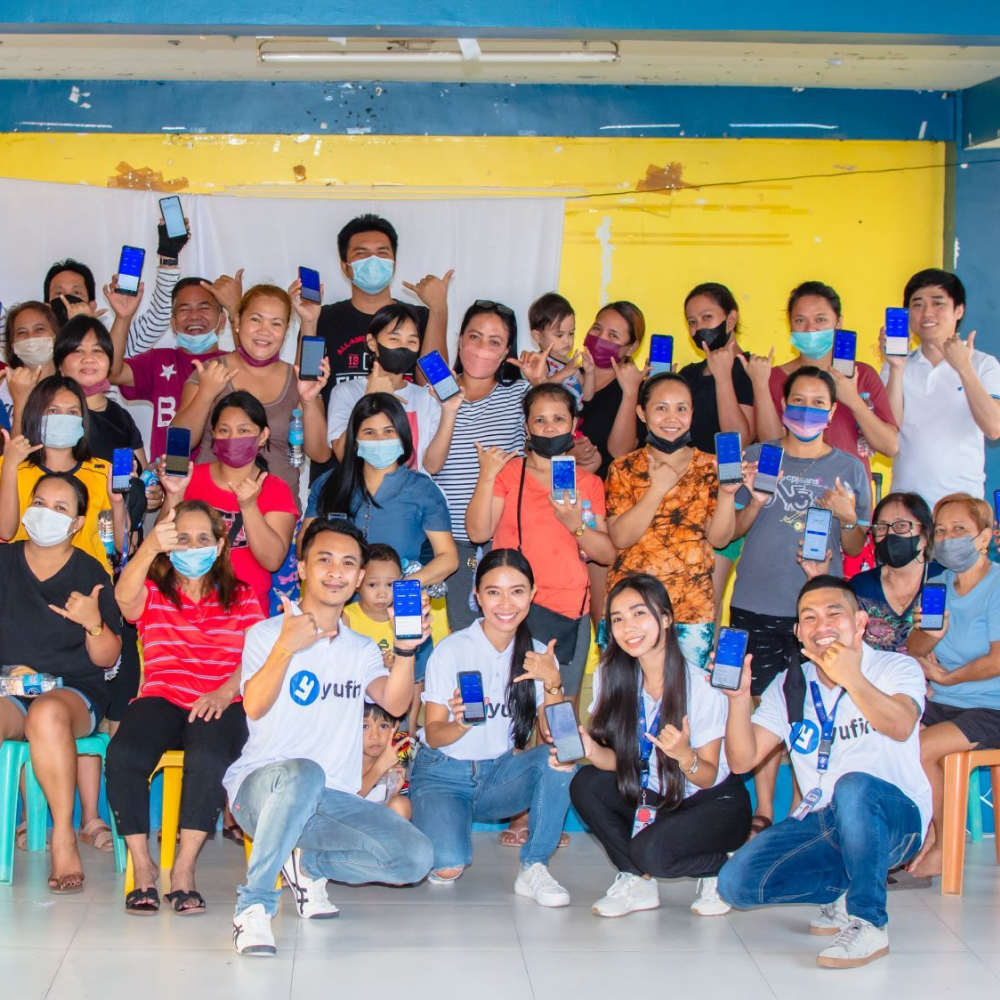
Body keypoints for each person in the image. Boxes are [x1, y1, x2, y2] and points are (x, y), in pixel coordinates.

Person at [224, 518, 434, 957]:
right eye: (324, 560)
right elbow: (254, 706)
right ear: (301, 569)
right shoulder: (265, 634)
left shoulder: (359, 649)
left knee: (414, 858)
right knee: (303, 772)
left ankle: (308, 864)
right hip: (259, 792)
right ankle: (254, 907)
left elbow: (394, 704)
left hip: (328, 800)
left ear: (359, 578)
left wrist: (408, 651)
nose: (336, 571)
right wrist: (287, 646)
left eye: (347, 564)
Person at [717, 575, 930, 969]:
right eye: (809, 618)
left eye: (835, 613)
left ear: (860, 623)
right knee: (736, 884)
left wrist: (853, 677)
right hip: (826, 823)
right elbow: (743, 761)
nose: (822, 626)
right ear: (798, 633)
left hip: (897, 822)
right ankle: (843, 890)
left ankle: (868, 922)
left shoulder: (895, 668)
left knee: (854, 787)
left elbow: (900, 725)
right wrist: (738, 698)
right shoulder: (790, 685)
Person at [730, 366, 871, 835]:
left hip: (818, 614)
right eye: (798, 400)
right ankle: (763, 808)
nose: (806, 410)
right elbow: (732, 532)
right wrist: (748, 494)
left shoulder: (850, 468)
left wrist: (849, 518)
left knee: (814, 706)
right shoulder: (757, 456)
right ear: (784, 405)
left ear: (832, 412)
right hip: (755, 601)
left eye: (817, 403)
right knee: (764, 705)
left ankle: (802, 805)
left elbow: (852, 550)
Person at [107, 500, 263, 915]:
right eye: (182, 538)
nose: (192, 547)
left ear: (219, 545)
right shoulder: (154, 592)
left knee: (209, 755)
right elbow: (124, 600)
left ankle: (184, 870)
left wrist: (226, 692)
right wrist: (148, 548)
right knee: (122, 753)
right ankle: (144, 867)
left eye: (202, 538)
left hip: (222, 700)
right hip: (162, 697)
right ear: (168, 543)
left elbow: (258, 660)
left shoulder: (244, 597)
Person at [570, 574, 750, 918]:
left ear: (666, 619)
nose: (628, 627)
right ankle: (638, 880)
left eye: (639, 614)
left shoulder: (701, 686)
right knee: (586, 783)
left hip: (711, 802)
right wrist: (592, 752)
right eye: (618, 618)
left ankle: (720, 868)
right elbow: (624, 764)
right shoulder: (612, 676)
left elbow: (709, 777)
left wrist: (684, 756)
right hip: (655, 795)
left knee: (652, 852)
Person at [410, 548, 575, 904]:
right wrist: (462, 726)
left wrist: (553, 685)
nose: (506, 603)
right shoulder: (452, 650)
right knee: (447, 867)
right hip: (444, 775)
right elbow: (435, 735)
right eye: (493, 592)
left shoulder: (538, 655)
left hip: (498, 777)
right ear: (477, 596)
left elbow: (563, 740)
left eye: (517, 591)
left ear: (532, 594)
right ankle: (426, 814)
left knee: (560, 758)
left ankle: (534, 867)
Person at [0, 473, 123, 893]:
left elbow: (108, 657)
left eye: (60, 509)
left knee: (48, 715)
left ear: (75, 524)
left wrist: (92, 623)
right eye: (39, 503)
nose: (45, 514)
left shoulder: (90, 572)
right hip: (11, 689)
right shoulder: (4, 562)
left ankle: (65, 835)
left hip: (74, 692)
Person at [466, 383, 615, 701]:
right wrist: (486, 476)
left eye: (559, 419)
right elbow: (478, 533)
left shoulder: (588, 483)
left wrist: (577, 526)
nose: (549, 428)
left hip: (566, 612)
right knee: (512, 711)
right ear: (526, 426)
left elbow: (605, 553)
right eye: (540, 420)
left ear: (573, 425)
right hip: (511, 610)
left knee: (559, 715)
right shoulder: (507, 473)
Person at [605, 373, 740, 670]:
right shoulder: (624, 467)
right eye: (661, 407)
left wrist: (728, 494)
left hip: (691, 607)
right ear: (642, 413)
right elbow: (620, 537)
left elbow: (719, 539)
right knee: (627, 701)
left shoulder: (710, 466)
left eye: (681, 408)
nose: (672, 417)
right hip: (631, 610)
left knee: (689, 702)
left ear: (692, 413)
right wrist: (657, 489)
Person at [904, 493, 1000, 879]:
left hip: (989, 706)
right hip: (942, 700)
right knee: (889, 737)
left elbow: (996, 660)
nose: (948, 539)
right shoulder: (937, 584)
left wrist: (946, 676)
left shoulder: (996, 585)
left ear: (984, 536)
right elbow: (914, 647)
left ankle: (946, 844)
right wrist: (932, 634)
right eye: (941, 531)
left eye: (959, 529)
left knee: (923, 748)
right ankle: (923, 834)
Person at [172, 283, 332, 506]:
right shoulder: (210, 371)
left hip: (275, 512)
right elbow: (179, 444)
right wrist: (206, 394)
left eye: (275, 323)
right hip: (207, 511)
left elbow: (320, 454)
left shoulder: (299, 379)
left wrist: (309, 399)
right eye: (256, 319)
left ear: (286, 330)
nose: (264, 330)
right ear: (237, 322)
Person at [428, 300, 532, 630]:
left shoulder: (520, 394)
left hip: (503, 539)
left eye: (494, 341)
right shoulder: (433, 394)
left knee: (508, 635)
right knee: (461, 636)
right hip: (449, 545)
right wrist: (448, 410)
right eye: (475, 337)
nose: (482, 348)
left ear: (507, 352)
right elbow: (431, 465)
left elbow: (550, 433)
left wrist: (542, 382)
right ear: (460, 340)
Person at [160, 391, 298, 616]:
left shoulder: (276, 488)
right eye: (224, 430)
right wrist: (174, 494)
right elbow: (162, 544)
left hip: (247, 612)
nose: (233, 438)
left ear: (263, 435)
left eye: (244, 430)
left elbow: (272, 561)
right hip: (185, 606)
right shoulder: (190, 477)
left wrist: (249, 506)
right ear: (213, 434)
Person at [303, 393, 457, 593]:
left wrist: (402, 587)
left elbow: (448, 558)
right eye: (369, 432)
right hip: (336, 603)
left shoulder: (423, 489)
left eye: (388, 431)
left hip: (395, 608)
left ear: (402, 435)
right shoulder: (328, 483)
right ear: (355, 439)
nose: (380, 440)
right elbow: (303, 548)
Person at [755, 280, 898, 481]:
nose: (810, 329)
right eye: (800, 320)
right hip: (790, 496)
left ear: (838, 322)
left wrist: (853, 400)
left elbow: (890, 446)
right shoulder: (774, 378)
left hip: (849, 497)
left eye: (820, 320)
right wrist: (759, 385)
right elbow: (769, 443)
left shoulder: (863, 374)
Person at [882, 268, 1000, 509]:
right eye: (918, 304)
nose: (927, 313)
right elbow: (888, 433)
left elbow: (994, 428)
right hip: (907, 508)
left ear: (959, 310)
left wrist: (963, 368)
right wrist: (896, 367)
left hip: (964, 508)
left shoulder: (982, 364)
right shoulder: (896, 365)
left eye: (938, 303)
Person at [296, 213, 452, 389]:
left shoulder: (420, 317)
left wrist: (439, 307)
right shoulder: (323, 319)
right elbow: (306, 388)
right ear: (344, 267)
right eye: (362, 253)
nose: (373, 260)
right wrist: (309, 323)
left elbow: (437, 387)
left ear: (393, 264)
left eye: (382, 253)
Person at [0, 374, 119, 571]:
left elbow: (119, 542)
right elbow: (5, 531)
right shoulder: (7, 465)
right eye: (53, 411)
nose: (63, 418)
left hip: (86, 584)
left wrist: (119, 502)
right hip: (19, 584)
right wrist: (10, 466)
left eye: (72, 412)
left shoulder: (104, 472)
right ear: (36, 415)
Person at [107, 276, 227, 463]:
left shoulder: (233, 363)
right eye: (184, 309)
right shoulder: (158, 360)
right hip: (167, 482)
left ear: (222, 319)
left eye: (204, 307)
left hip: (219, 484)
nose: (194, 316)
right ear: (172, 323)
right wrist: (123, 317)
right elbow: (113, 373)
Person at [326, 303, 457, 474]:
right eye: (394, 339)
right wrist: (371, 397)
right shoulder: (345, 392)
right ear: (372, 343)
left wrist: (449, 411)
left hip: (413, 497)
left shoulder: (427, 396)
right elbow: (343, 454)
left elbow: (432, 467)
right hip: (364, 497)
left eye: (412, 341)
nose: (403, 346)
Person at [44, 216, 190, 351]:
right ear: (47, 306)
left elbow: (160, 315)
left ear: (92, 305)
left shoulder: (114, 341)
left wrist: (169, 254)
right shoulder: (35, 347)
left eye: (76, 293)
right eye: (59, 293)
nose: (67, 300)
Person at [342, 542, 426, 731]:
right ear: (358, 582)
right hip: (357, 710)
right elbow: (342, 671)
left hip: (395, 711)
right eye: (372, 584)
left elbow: (414, 677)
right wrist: (377, 666)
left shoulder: (405, 620)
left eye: (390, 584)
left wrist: (411, 727)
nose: (382, 593)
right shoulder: (346, 618)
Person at [849, 492, 936, 652]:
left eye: (901, 525)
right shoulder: (860, 587)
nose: (890, 534)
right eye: (881, 527)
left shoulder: (944, 580)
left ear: (925, 535)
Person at [679, 282, 757, 452]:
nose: (699, 327)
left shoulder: (752, 369)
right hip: (688, 474)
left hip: (730, 476)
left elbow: (738, 443)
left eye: (707, 317)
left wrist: (722, 377)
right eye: (692, 322)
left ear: (731, 320)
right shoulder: (687, 374)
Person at [577, 301, 648, 479]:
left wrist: (630, 393)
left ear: (631, 348)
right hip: (557, 487)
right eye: (597, 328)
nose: (601, 338)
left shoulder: (638, 392)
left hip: (604, 494)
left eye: (613, 335)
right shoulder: (567, 377)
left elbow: (620, 452)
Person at [0, 300, 59, 431]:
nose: (30, 337)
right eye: (21, 332)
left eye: (39, 329)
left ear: (56, 335)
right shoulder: (2, 384)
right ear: (12, 344)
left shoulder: (72, 383)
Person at [527, 292, 593, 408]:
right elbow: (540, 389)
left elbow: (587, 397)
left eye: (571, 333)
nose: (567, 340)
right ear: (537, 336)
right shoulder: (541, 362)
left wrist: (590, 372)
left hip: (572, 421)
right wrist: (566, 372)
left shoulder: (570, 363)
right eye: (559, 335)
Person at [360, 702, 412, 819]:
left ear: (395, 726)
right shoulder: (343, 763)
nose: (375, 736)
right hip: (343, 827)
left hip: (377, 831)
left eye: (383, 726)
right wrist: (380, 767)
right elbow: (342, 803)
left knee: (401, 804)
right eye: (365, 726)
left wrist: (392, 794)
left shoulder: (393, 767)